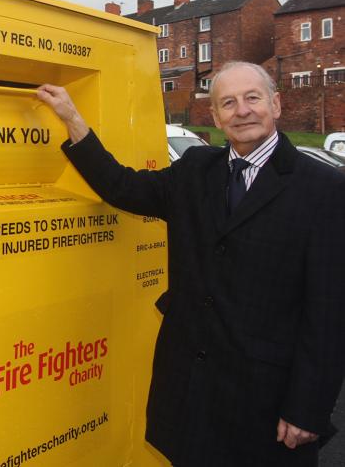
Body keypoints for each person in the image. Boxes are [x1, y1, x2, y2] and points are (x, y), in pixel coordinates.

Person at [37, 61, 345, 467]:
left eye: (252, 98)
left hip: (265, 402)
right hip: (191, 390)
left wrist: (308, 408)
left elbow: (329, 312)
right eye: (228, 103)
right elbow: (122, 186)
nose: (242, 111)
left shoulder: (323, 188)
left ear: (276, 103)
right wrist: (73, 120)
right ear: (215, 116)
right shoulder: (196, 170)